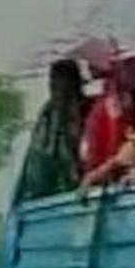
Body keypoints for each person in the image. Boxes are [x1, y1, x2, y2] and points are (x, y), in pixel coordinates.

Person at [16, 59, 89, 203]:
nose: (55, 88)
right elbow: (39, 164)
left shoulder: (90, 110)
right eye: (54, 84)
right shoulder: (48, 117)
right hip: (56, 194)